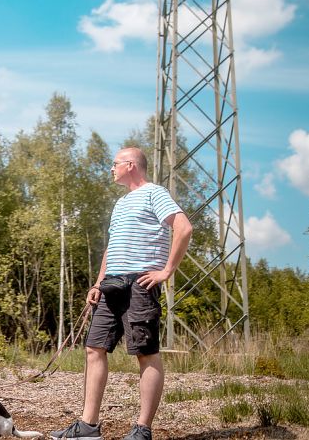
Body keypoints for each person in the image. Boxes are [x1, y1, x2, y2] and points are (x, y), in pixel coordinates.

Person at [51, 147, 192, 440]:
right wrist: (97, 283)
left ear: (130, 165)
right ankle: (88, 426)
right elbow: (111, 247)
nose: (111, 169)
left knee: (145, 352)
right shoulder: (120, 203)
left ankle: (142, 429)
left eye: (115, 164)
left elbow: (183, 228)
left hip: (140, 285)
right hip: (111, 284)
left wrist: (166, 271)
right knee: (94, 348)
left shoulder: (155, 193)